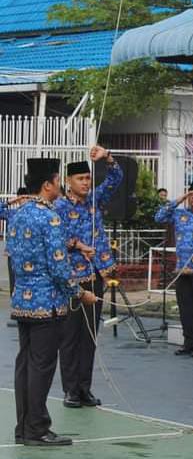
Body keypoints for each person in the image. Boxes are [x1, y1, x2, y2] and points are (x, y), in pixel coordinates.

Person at [9, 158, 97, 446]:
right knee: (42, 368)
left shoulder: (18, 213)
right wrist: (79, 293)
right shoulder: (50, 217)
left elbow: (12, 254)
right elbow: (59, 266)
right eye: (58, 181)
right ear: (47, 185)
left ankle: (23, 427)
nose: (60, 185)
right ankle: (37, 429)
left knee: (25, 366)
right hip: (47, 304)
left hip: (23, 300)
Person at [56, 146, 123, 408]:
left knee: (90, 335)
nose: (85, 183)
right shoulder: (59, 206)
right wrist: (75, 245)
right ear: (68, 182)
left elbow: (116, 179)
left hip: (97, 273)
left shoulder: (95, 199)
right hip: (73, 278)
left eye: (87, 178)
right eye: (80, 179)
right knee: (70, 335)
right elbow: (56, 239)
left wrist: (107, 158)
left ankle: (84, 388)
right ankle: (70, 389)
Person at [155, 180, 193, 356]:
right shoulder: (180, 213)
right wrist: (178, 200)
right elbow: (159, 217)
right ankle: (189, 342)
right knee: (185, 307)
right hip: (182, 268)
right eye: (191, 194)